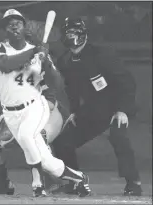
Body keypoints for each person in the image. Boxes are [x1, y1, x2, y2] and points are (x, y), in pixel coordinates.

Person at [0, 9, 91, 198]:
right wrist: (33, 52)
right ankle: (79, 178)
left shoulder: (38, 55)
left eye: (18, 21)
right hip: (12, 114)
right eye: (9, 22)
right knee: (46, 162)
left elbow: (58, 83)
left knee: (27, 136)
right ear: (4, 28)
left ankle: (38, 185)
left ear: (24, 26)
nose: (14, 24)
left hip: (36, 107)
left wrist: (47, 62)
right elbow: (4, 65)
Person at [51, 17, 142, 196]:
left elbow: (126, 82)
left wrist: (122, 109)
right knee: (62, 141)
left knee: (119, 138)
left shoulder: (102, 54)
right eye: (67, 33)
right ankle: (74, 182)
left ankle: (134, 183)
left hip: (115, 105)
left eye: (74, 32)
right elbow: (71, 89)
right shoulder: (65, 61)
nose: (71, 36)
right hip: (93, 109)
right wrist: (75, 111)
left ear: (83, 34)